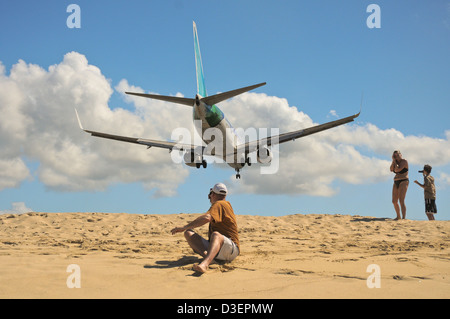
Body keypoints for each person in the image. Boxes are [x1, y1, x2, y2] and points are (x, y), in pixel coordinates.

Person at [170, 183, 240, 273]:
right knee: (188, 233)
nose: (209, 198)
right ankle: (210, 259)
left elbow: (207, 218)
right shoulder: (225, 204)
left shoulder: (219, 204)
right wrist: (186, 229)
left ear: (213, 194)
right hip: (223, 250)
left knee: (216, 235)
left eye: (210, 195)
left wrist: (184, 227)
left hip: (231, 250)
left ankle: (205, 264)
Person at [390, 150, 409, 220]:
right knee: (394, 201)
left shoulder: (404, 161)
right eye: (395, 155)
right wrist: (393, 161)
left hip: (404, 180)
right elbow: (391, 169)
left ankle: (404, 218)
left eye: (398, 155)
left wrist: (395, 162)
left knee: (401, 200)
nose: (397, 157)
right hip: (396, 181)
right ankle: (398, 216)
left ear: (401, 154)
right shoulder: (395, 162)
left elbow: (397, 170)